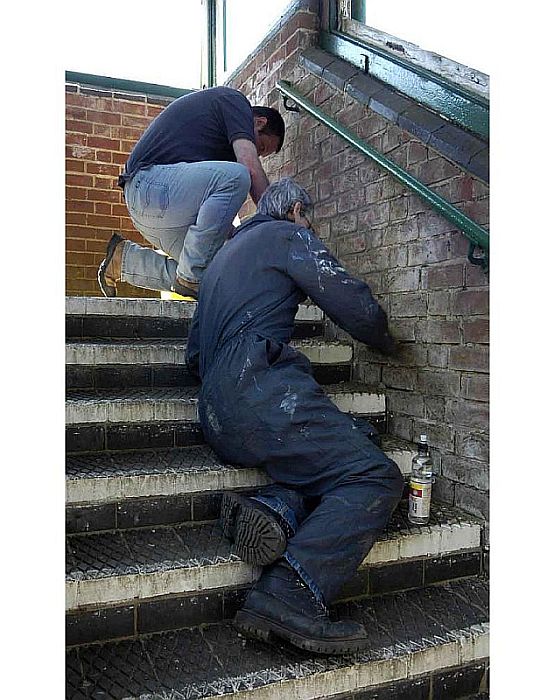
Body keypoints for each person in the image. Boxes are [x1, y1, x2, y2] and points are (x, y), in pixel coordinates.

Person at [186, 177, 404, 655]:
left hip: (217, 413)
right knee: (374, 475)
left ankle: (276, 508)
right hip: (260, 391)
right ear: (295, 211)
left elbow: (193, 357)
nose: (310, 228)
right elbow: (350, 302)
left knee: (348, 440)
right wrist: (390, 342)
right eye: (310, 220)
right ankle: (288, 593)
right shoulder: (287, 235)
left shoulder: (222, 258)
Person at [97, 86, 285, 299]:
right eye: (260, 147)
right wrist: (280, 225)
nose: (257, 153)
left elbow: (219, 218)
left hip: (156, 208)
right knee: (239, 175)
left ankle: (124, 261)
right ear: (259, 122)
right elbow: (249, 168)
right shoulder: (235, 102)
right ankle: (192, 276)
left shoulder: (220, 162)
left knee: (224, 273)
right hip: (149, 184)